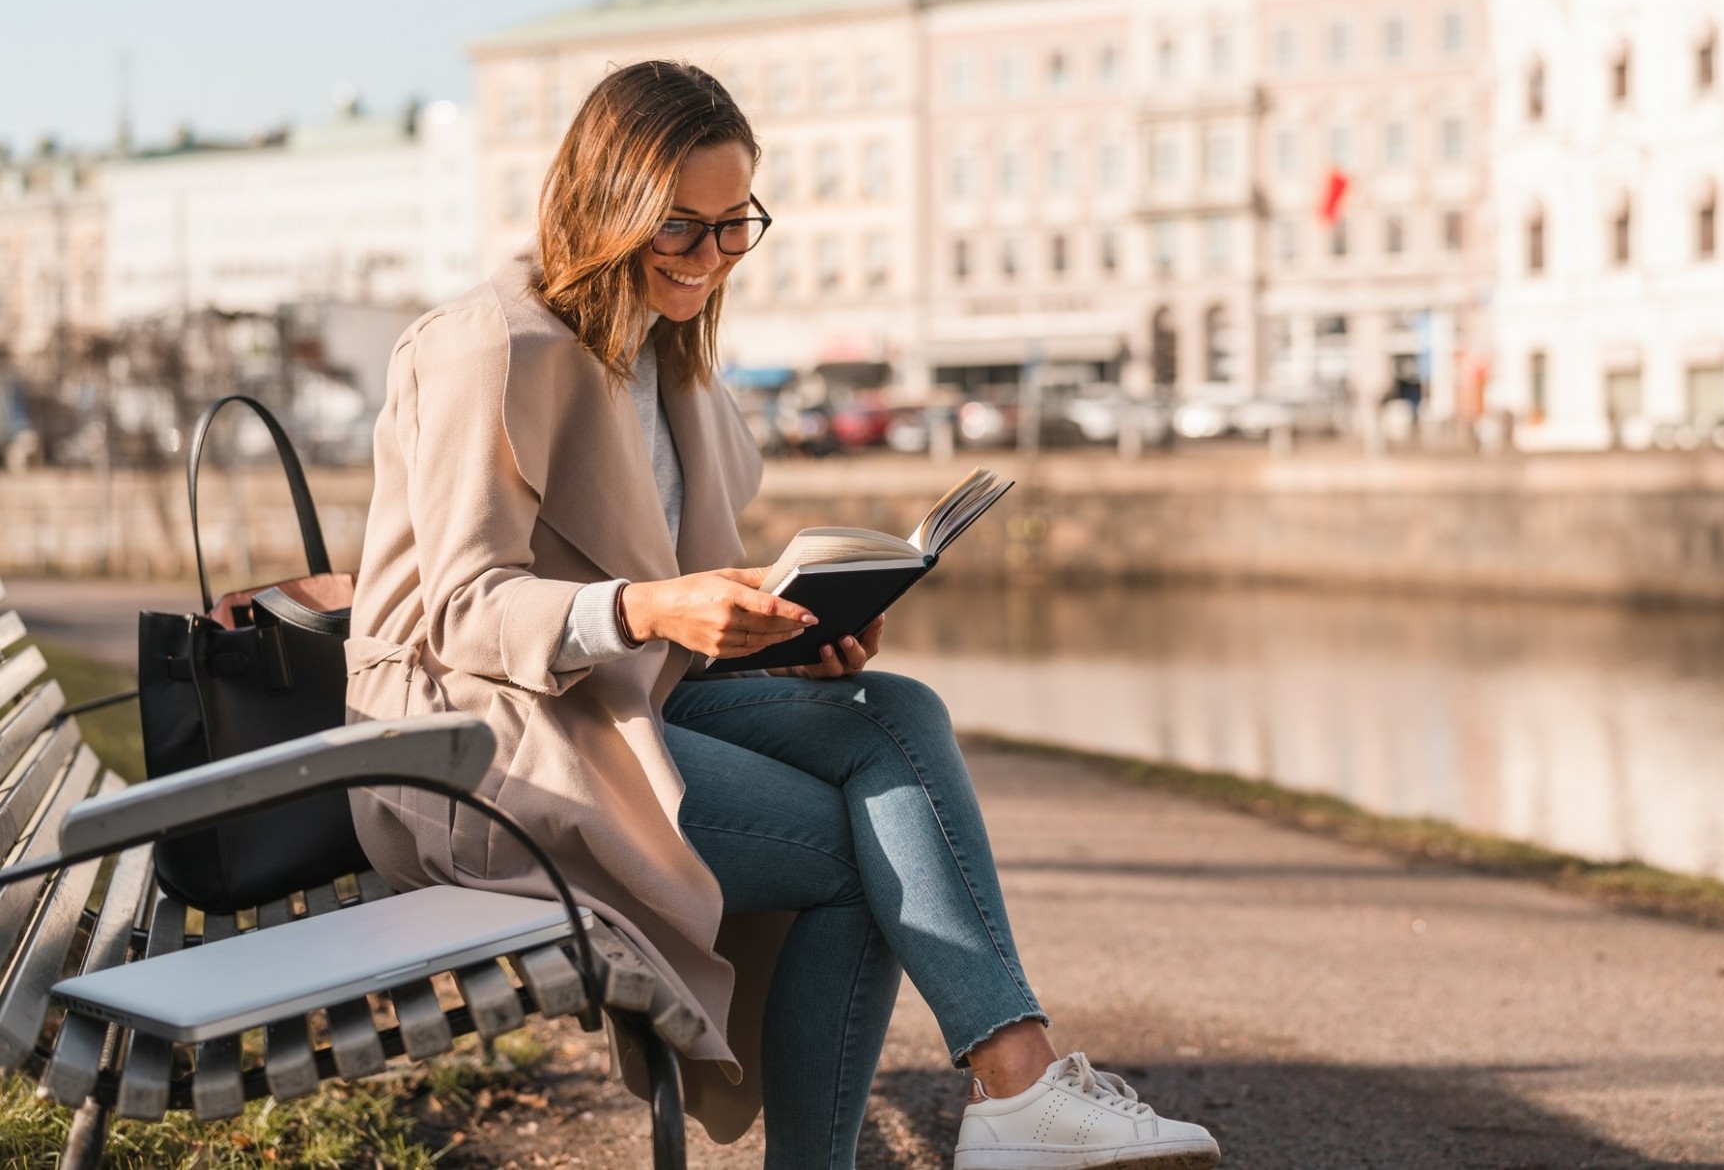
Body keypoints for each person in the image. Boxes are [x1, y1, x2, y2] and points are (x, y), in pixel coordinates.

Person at [344, 60, 1219, 1170]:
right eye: (681, 228)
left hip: (616, 708)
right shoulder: (486, 345)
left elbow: (670, 602)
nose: (710, 259)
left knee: (891, 705)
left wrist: (785, 634)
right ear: (604, 206)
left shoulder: (671, 366)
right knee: (863, 854)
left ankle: (1017, 1089)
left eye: (732, 226)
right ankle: (1002, 1096)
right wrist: (655, 605)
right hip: (475, 747)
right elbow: (463, 610)